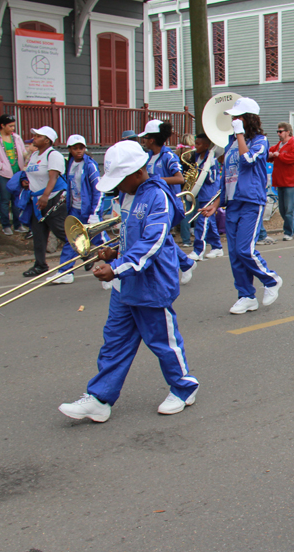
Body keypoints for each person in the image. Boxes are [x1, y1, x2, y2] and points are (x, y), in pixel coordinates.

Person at [57, 141, 199, 422]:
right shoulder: (128, 195)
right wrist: (114, 253)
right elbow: (132, 236)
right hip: (126, 283)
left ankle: (184, 388)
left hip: (150, 284)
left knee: (162, 342)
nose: (116, 186)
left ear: (138, 173)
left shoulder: (157, 196)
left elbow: (153, 241)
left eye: (120, 180)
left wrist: (117, 267)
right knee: (114, 343)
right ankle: (100, 398)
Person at [197, 97, 283, 315]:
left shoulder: (260, 141)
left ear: (248, 119)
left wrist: (239, 134)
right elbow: (228, 178)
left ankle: (271, 279)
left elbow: (248, 161)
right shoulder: (231, 143)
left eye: (237, 117)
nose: (233, 120)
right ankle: (246, 296)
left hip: (251, 202)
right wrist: (216, 204)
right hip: (233, 204)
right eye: (233, 117)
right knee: (235, 254)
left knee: (245, 250)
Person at [140, 120, 195, 278]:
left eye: (145, 137)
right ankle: (185, 264)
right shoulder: (147, 156)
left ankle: (183, 265)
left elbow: (179, 179)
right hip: (151, 203)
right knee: (161, 237)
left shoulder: (168, 156)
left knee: (159, 236)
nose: (143, 140)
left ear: (152, 139)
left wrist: (155, 180)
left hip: (167, 204)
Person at [21, 126, 70, 278]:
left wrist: (45, 196)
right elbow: (32, 173)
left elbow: (53, 178)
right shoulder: (35, 154)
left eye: (38, 136)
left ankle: (84, 253)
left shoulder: (53, 155)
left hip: (52, 198)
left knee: (61, 231)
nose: (34, 138)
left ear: (47, 140)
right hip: (36, 199)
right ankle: (40, 264)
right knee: (38, 233)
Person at [58, 134, 104, 286]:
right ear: (70, 149)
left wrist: (95, 213)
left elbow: (98, 189)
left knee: (101, 241)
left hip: (88, 211)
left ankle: (117, 269)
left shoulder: (90, 165)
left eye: (81, 148)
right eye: (75, 148)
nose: (78, 151)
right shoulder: (69, 164)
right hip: (75, 209)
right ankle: (65, 272)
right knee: (72, 240)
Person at [0, 114, 27, 234]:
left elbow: (23, 152)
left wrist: (28, 156)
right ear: (2, 126)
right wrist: (0, 165)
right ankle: (6, 225)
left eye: (14, 126)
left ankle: (18, 224)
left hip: (17, 173)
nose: (13, 129)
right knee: (5, 200)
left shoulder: (16, 138)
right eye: (10, 126)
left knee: (17, 199)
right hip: (3, 175)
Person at [186, 132, 224, 261]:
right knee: (210, 222)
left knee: (201, 222)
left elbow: (212, 178)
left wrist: (203, 173)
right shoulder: (197, 157)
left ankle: (198, 250)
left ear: (206, 145)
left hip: (209, 194)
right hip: (201, 194)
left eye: (198, 144)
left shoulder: (211, 159)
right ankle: (217, 247)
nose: (195, 146)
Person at [268, 121, 294, 240]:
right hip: (280, 181)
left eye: (280, 131)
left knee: (289, 209)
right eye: (277, 131)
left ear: (288, 132)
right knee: (282, 210)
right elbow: (268, 154)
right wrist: (271, 155)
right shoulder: (279, 145)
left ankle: (288, 232)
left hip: (291, 182)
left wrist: (279, 156)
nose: (278, 133)